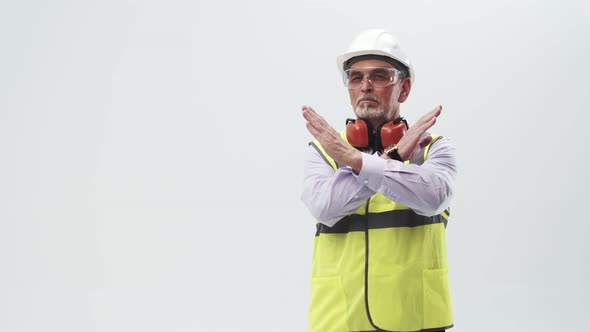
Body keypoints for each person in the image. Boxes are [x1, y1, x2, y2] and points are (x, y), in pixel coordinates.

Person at [301, 29, 458, 332]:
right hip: (340, 317)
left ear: (405, 88)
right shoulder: (324, 151)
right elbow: (325, 208)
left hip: (415, 317)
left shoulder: (434, 147)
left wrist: (357, 162)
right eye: (356, 77)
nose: (366, 87)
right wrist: (392, 160)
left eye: (380, 76)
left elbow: (433, 198)